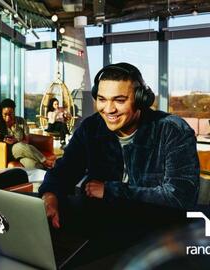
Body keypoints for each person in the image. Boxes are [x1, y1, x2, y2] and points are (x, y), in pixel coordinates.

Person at [38, 63, 200, 265]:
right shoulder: (91, 127)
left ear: (141, 100)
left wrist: (110, 190)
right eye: (102, 99)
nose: (109, 109)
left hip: (153, 230)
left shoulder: (172, 130)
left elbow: (180, 197)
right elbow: (65, 169)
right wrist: (49, 195)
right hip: (103, 221)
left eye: (120, 100)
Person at [0, 98, 55, 169]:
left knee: (34, 165)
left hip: (20, 152)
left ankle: (48, 176)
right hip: (3, 151)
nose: (8, 118)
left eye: (10, 114)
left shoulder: (21, 121)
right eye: (5, 114)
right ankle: (45, 161)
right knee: (19, 146)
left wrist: (15, 141)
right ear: (0, 112)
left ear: (14, 111)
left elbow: (26, 141)